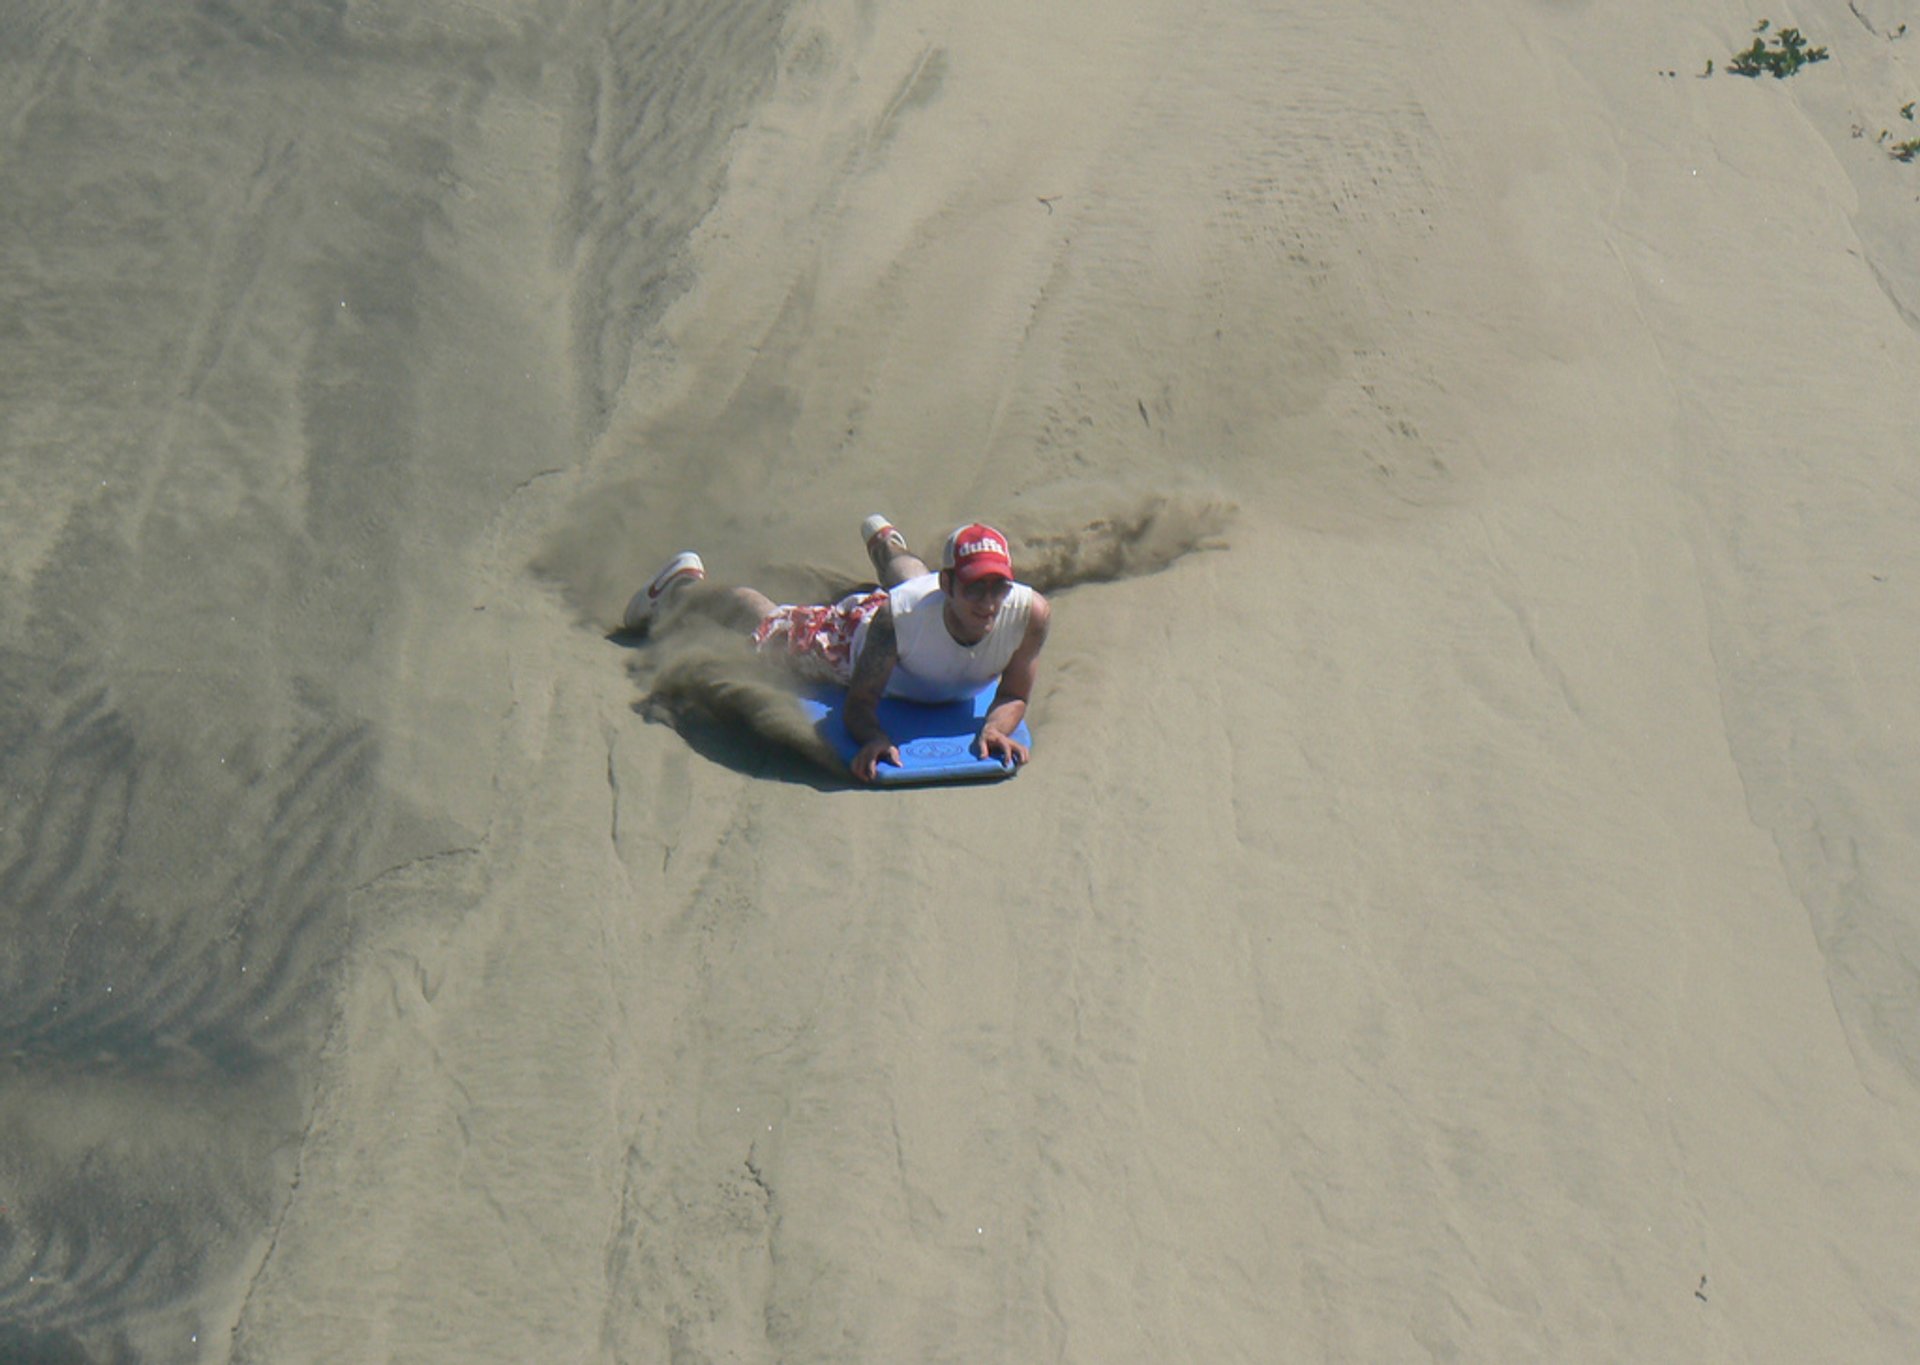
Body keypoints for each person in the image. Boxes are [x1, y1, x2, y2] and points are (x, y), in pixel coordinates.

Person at [626, 517, 1051, 782]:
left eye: (999, 586)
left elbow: (1015, 693)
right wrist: (873, 738)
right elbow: (859, 702)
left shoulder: (1030, 614)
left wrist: (995, 729)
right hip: (854, 639)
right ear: (949, 585)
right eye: (976, 587)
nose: (990, 602)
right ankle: (682, 587)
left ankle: (885, 542)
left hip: (919, 614)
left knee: (910, 583)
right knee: (773, 628)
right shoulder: (896, 622)